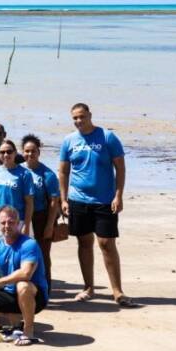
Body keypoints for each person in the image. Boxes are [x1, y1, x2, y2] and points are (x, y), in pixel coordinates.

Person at [58, 103, 136, 307]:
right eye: (74, 118)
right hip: (78, 200)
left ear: (90, 115)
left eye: (81, 117)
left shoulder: (107, 137)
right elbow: (63, 172)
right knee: (84, 243)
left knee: (106, 244)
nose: (78, 121)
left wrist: (118, 195)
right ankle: (88, 288)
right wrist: (64, 199)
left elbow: (120, 168)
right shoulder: (69, 141)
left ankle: (117, 291)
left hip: (104, 200)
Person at [0, 206, 48, 346]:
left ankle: (28, 330)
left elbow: (26, 273)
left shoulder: (29, 244)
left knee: (22, 285)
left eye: (11, 222)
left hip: (35, 295)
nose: (7, 226)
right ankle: (15, 322)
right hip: (10, 293)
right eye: (3, 222)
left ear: (18, 224)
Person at [21, 134, 60, 290]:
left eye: (33, 151)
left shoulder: (47, 174)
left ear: (39, 152)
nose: (30, 154)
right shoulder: (19, 169)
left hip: (41, 217)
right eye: (27, 151)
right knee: (22, 253)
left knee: (42, 255)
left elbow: (53, 202)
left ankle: (45, 288)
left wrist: (50, 225)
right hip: (22, 217)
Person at [0, 140, 34, 243]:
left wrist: (27, 225)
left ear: (15, 153)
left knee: (19, 250)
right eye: (2, 152)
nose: (6, 155)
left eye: (9, 151)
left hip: (17, 219)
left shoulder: (25, 174)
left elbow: (29, 202)